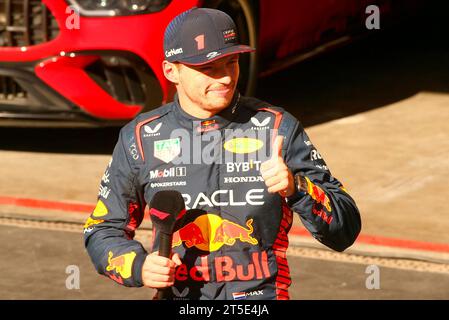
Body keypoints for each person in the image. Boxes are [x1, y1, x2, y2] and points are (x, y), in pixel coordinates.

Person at [83, 7, 361, 300]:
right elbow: (101, 229)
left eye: (231, 62)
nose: (226, 78)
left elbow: (346, 229)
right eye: (208, 69)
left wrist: (297, 188)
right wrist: (138, 266)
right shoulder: (139, 137)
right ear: (171, 70)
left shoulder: (277, 127)